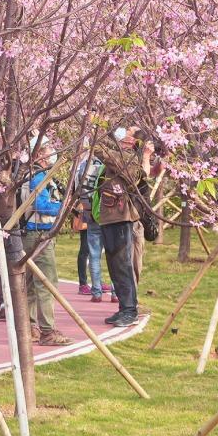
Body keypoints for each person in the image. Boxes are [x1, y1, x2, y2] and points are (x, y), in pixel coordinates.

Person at [94, 126, 148, 328]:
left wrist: (94, 133)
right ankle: (124, 308)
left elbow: (101, 149)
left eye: (129, 132)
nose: (123, 133)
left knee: (123, 265)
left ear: (133, 141)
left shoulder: (129, 159)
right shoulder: (121, 153)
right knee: (114, 266)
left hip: (122, 219)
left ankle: (129, 310)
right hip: (110, 218)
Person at [16, 148, 64, 348]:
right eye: (47, 149)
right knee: (45, 282)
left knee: (29, 284)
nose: (51, 153)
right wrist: (63, 206)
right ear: (39, 153)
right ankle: (47, 331)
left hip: (28, 234)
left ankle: (31, 327)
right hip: (38, 233)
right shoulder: (38, 177)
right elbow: (41, 205)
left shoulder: (27, 174)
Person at [71, 159, 106, 300]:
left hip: (90, 214)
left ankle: (96, 291)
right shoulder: (107, 165)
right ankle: (116, 292)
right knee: (113, 255)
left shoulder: (83, 165)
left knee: (94, 255)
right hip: (107, 216)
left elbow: (76, 190)